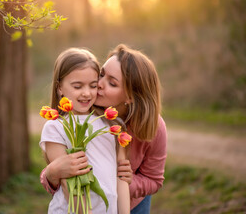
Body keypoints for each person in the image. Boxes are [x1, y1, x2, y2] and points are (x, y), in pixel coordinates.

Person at [40, 44, 167, 214]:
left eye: (112, 83)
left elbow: (153, 179)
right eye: (101, 74)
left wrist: (128, 181)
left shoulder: (128, 127)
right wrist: (52, 173)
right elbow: (66, 174)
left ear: (130, 96)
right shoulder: (79, 114)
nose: (98, 85)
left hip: (129, 202)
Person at [39, 47, 130, 214]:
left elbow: (122, 177)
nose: (87, 93)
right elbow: (67, 182)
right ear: (60, 88)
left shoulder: (112, 125)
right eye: (77, 86)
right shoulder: (55, 128)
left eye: (93, 85)